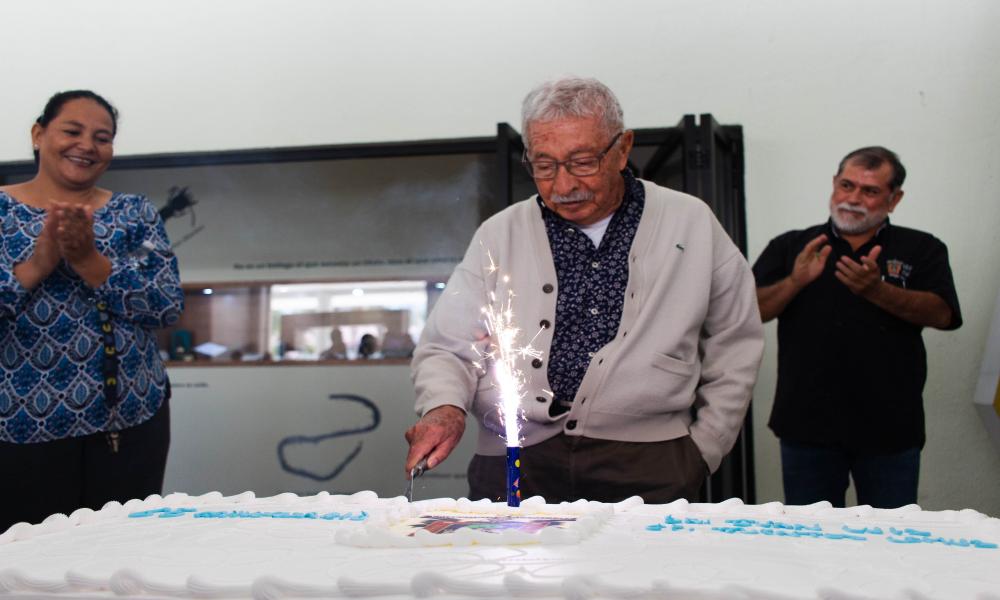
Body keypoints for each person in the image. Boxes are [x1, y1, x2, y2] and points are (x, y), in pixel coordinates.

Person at [405, 76, 764, 503]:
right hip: (514, 459)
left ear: (623, 148)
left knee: (641, 571)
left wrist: (704, 449)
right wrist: (444, 406)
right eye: (544, 165)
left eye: (582, 162)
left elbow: (735, 339)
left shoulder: (690, 223)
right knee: (508, 568)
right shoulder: (499, 234)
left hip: (649, 459)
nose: (563, 185)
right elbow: (448, 345)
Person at [0, 91, 184, 532]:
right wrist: (37, 265)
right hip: (18, 429)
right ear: (39, 134)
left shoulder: (134, 214)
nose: (88, 145)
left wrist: (90, 263)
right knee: (29, 568)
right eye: (72, 130)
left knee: (121, 558)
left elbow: (165, 305)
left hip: (130, 422)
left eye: (103, 137)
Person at [752, 146, 961, 509]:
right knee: (811, 543)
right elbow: (750, 311)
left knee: (890, 546)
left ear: (894, 199)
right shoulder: (791, 246)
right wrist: (795, 282)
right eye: (847, 185)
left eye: (870, 191)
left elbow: (943, 314)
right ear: (834, 183)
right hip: (806, 427)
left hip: (890, 430)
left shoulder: (922, 248)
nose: (853, 199)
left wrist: (878, 291)